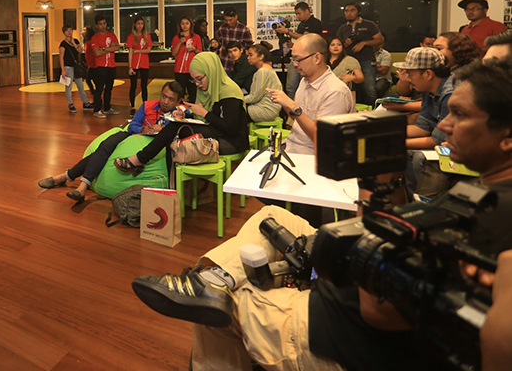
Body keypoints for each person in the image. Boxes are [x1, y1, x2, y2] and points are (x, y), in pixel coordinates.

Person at [130, 56, 512, 371]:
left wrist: (360, 229)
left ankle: (215, 293)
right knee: (268, 216)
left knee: (221, 309)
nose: (443, 126)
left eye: (459, 115)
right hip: (353, 295)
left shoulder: (493, 220)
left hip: (338, 330)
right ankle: (214, 279)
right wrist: (380, 181)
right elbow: (399, 235)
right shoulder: (481, 194)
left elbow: (380, 310)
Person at [37, 82, 186, 203]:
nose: (165, 101)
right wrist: (143, 128)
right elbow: (133, 125)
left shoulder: (180, 112)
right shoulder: (148, 105)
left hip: (152, 147)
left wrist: (181, 114)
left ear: (179, 101)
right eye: (164, 96)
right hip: (133, 135)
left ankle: (68, 178)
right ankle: (80, 185)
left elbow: (190, 123)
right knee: (105, 147)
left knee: (104, 155)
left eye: (171, 99)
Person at [113, 52, 249, 175]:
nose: (197, 84)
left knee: (174, 129)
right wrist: (187, 116)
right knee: (174, 133)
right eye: (194, 80)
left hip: (231, 142)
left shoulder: (229, 92)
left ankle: (141, 160)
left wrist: (205, 113)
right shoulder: (209, 88)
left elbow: (231, 128)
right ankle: (173, 188)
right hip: (217, 133)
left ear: (211, 71)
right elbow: (206, 120)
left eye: (199, 79)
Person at [268, 34, 354, 155]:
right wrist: (284, 102)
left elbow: (322, 137)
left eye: (298, 59)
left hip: (314, 156)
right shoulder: (305, 80)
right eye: (293, 59)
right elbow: (297, 117)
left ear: (317, 58)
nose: (295, 64)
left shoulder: (335, 91)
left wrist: (293, 106)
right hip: (292, 147)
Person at [393, 48, 455, 198]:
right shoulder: (428, 90)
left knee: (418, 156)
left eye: (410, 74)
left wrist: (394, 143)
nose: (407, 79)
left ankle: (424, 204)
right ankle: (413, 201)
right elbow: (422, 127)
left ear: (428, 74)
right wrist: (386, 132)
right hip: (441, 142)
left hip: (453, 147)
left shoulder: (451, 94)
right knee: (406, 154)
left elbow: (437, 140)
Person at [335, 2, 383, 106]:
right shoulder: (342, 28)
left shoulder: (369, 25)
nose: (349, 13)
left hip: (366, 60)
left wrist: (364, 43)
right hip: (349, 61)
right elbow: (337, 45)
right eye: (346, 11)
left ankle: (373, 113)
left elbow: (380, 40)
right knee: (351, 88)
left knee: (369, 89)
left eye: (352, 10)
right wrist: (345, 44)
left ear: (359, 12)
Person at [277, 2, 324, 99]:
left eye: (299, 13)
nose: (298, 16)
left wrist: (287, 31)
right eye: (296, 14)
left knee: (305, 85)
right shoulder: (301, 25)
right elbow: (302, 41)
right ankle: (291, 109)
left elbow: (307, 38)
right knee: (290, 86)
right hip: (297, 58)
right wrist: (292, 45)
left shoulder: (315, 23)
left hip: (309, 58)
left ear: (307, 11)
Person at [88, 15, 120, 118]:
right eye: (100, 24)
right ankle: (97, 110)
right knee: (99, 89)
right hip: (101, 67)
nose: (103, 26)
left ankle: (107, 108)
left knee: (109, 88)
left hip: (112, 66)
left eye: (104, 23)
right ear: (97, 26)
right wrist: (110, 48)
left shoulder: (112, 35)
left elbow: (117, 47)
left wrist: (103, 48)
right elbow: (97, 53)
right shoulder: (95, 38)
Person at [243, 44, 282, 123]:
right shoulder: (266, 69)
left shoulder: (262, 71)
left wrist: (239, 99)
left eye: (250, 55)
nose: (248, 58)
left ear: (261, 57)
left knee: (234, 112)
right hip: (271, 108)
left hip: (266, 110)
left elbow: (254, 97)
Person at [58, 24, 91, 113]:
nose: (69, 32)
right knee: (68, 86)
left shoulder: (75, 41)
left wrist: (73, 42)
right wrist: (63, 70)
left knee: (80, 85)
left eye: (70, 30)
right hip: (67, 67)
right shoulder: (63, 44)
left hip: (76, 67)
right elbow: (61, 57)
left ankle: (85, 102)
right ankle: (70, 104)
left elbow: (80, 51)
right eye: (67, 31)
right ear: (64, 32)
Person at [126, 16, 152, 115]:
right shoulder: (131, 37)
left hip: (144, 64)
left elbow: (148, 50)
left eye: (142, 23)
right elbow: (130, 52)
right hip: (134, 64)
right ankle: (132, 106)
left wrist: (137, 50)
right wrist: (130, 66)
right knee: (133, 86)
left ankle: (145, 105)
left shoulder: (147, 36)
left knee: (144, 86)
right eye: (138, 24)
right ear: (135, 25)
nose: (140, 26)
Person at [172, 16, 201, 103]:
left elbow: (200, 52)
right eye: (182, 24)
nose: (185, 26)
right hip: (179, 70)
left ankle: (192, 112)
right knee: (180, 93)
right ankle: (180, 110)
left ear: (190, 25)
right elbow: (173, 53)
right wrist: (180, 43)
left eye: (187, 23)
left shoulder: (196, 37)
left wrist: (194, 49)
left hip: (192, 69)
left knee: (193, 93)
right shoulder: (176, 38)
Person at [217, 8, 253, 75]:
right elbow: (221, 43)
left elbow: (249, 46)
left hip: (239, 64)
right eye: (226, 20)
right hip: (225, 62)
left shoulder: (243, 29)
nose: (228, 22)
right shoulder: (222, 29)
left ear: (236, 17)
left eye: (230, 20)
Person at [82, 26, 97, 95]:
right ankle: (97, 97)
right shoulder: (86, 42)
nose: (82, 31)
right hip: (90, 64)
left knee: (88, 80)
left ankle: (95, 95)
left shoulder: (91, 42)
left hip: (94, 65)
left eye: (85, 30)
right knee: (94, 81)